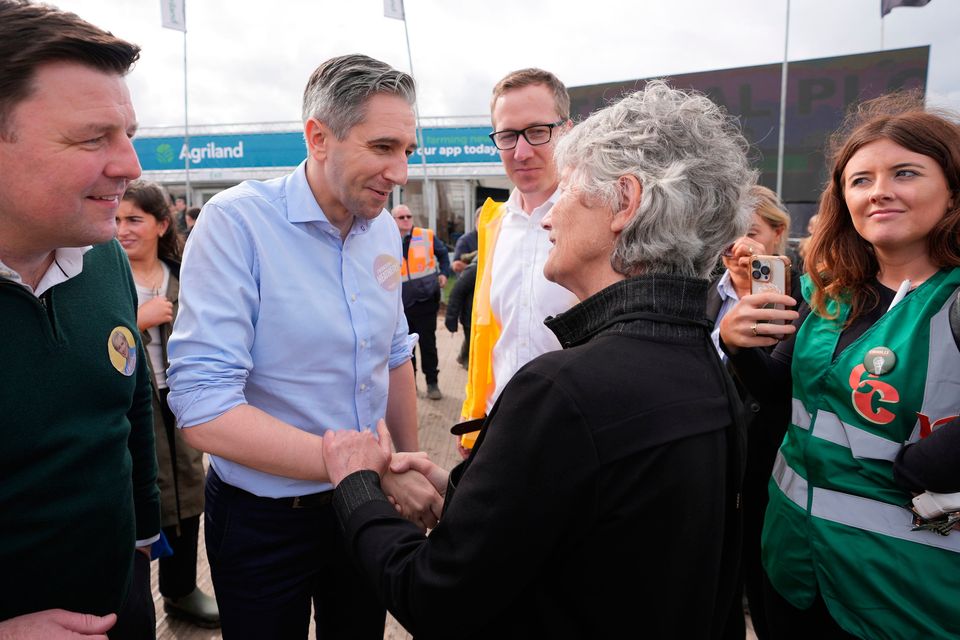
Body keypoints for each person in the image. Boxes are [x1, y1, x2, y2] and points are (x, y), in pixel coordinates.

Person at [322, 82, 754, 639]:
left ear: (625, 202)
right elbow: (599, 525)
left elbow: (434, 595)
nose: (550, 218)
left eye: (570, 190)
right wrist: (470, 494)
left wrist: (356, 485)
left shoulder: (563, 389)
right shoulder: (710, 370)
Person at [166, 54, 441, 640]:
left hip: (364, 508)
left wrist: (405, 469)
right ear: (319, 137)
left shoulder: (381, 231)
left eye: (408, 151)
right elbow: (204, 408)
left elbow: (394, 355)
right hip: (266, 520)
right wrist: (371, 469)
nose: (400, 172)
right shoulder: (237, 224)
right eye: (383, 147)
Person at [719, 93, 960, 639]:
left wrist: (939, 459)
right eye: (860, 180)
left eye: (905, 173)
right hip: (795, 564)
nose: (880, 192)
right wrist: (740, 346)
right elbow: (780, 389)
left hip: (902, 589)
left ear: (951, 192)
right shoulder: (827, 290)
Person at [0, 1, 160, 637]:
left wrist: (145, 541)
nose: (131, 166)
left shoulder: (102, 259)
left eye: (127, 135)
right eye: (93, 138)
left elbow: (129, 408)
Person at [117, 180, 220, 628]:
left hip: (179, 399)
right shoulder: (104, 278)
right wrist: (137, 323)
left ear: (162, 224)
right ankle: (132, 597)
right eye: (117, 220)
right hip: (129, 405)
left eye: (134, 220)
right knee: (145, 489)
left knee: (187, 482)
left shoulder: (183, 275)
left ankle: (180, 589)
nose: (123, 229)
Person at [459, 68, 579, 450]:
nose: (521, 152)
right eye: (508, 135)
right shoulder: (494, 223)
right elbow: (489, 335)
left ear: (567, 131)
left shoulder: (602, 221)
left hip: (574, 436)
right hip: (499, 430)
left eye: (537, 131)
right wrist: (472, 415)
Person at [706, 185, 798, 640]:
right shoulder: (700, 293)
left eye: (750, 232)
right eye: (729, 232)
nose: (738, 245)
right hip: (712, 462)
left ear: (778, 234)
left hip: (769, 467)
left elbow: (776, 384)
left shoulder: (808, 295)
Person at [392, 203, 451, 400]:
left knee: (428, 344)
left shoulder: (426, 236)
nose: (407, 220)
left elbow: (443, 255)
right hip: (400, 305)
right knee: (405, 348)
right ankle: (410, 386)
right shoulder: (385, 239)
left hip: (426, 300)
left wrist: (444, 273)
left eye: (409, 216)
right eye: (402, 217)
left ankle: (432, 383)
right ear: (394, 220)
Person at [445, 259, 477, 369]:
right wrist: (451, 319)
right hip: (470, 318)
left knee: (472, 342)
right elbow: (456, 293)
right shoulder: (474, 269)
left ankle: (463, 357)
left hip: (479, 318)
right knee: (473, 342)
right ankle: (469, 362)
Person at [450, 207, 480, 273]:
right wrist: (478, 270)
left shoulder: (494, 238)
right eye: (482, 221)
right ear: (476, 222)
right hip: (471, 281)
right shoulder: (465, 240)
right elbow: (456, 265)